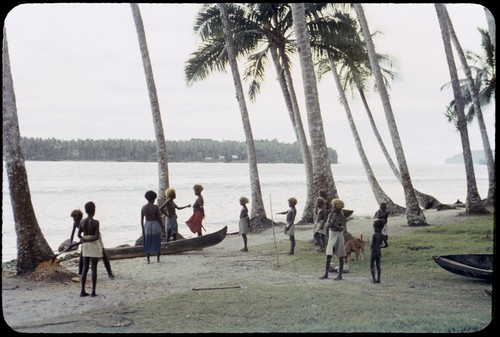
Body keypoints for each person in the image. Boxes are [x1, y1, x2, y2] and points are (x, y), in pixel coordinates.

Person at [75, 210, 115, 278]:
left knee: (102, 253)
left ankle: (109, 272)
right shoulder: (79, 223)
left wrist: (84, 239)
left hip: (93, 239)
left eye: (75, 218)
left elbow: (96, 236)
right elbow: (77, 234)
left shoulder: (82, 222)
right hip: (88, 239)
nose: (74, 220)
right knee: (83, 254)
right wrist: (82, 239)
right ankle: (80, 272)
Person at [79, 201, 103, 297]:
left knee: (85, 268)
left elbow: (78, 234)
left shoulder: (82, 222)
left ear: (85, 211)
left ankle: (82, 291)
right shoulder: (96, 222)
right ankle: (93, 291)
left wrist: (84, 239)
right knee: (94, 268)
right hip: (93, 245)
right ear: (94, 210)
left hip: (85, 245)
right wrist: (89, 239)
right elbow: (96, 236)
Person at [320, 198, 347, 280]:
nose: (332, 208)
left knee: (340, 255)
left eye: (334, 207)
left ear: (338, 208)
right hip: (332, 235)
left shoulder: (342, 217)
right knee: (328, 254)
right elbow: (328, 225)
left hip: (339, 236)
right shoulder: (331, 215)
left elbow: (342, 229)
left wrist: (333, 224)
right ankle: (326, 274)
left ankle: (340, 275)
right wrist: (334, 224)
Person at [141, 190, 163, 264]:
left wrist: (142, 228)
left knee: (148, 241)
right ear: (153, 198)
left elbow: (141, 220)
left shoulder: (143, 207)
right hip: (155, 224)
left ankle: (148, 260)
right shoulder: (156, 207)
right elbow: (159, 218)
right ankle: (158, 259)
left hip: (147, 225)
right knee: (157, 241)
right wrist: (162, 227)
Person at [370, 219, 385, 283]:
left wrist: (373, 248)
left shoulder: (374, 235)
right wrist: (380, 247)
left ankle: (374, 279)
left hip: (373, 252)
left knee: (372, 265)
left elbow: (372, 244)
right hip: (379, 252)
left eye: (374, 227)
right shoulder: (383, 236)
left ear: (377, 228)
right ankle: (378, 279)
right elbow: (386, 245)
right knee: (378, 266)